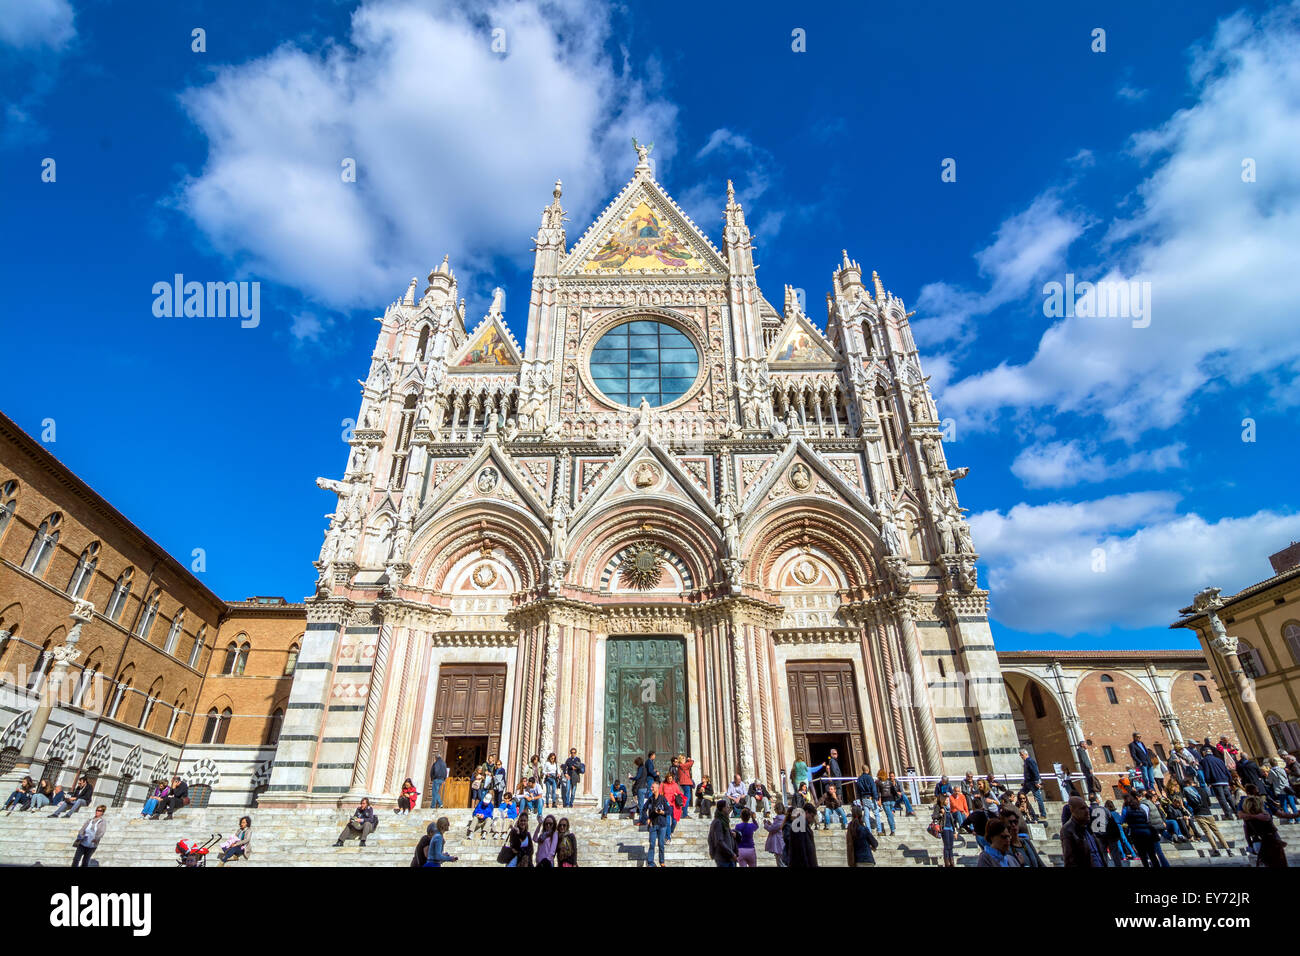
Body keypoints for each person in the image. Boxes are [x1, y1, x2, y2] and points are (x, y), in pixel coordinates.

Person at [1239, 794, 1295, 867]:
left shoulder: (1247, 818)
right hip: (1270, 842)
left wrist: (1251, 846)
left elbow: (1247, 834)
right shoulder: (1265, 816)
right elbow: (1273, 831)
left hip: (1256, 843)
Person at [1181, 780, 1228, 855]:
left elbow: (1190, 804)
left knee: (1207, 833)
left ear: (1188, 784)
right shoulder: (1202, 790)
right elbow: (1209, 803)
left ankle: (1215, 850)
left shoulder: (1188, 791)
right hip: (1208, 813)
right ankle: (1228, 849)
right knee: (1217, 831)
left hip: (1199, 814)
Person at [1122, 792, 1167, 868]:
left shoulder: (1127, 809)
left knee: (1143, 855)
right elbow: (1146, 819)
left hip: (1137, 834)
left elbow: (1122, 820)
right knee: (1152, 854)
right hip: (1147, 833)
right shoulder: (1140, 808)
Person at [1060, 796, 1108, 867]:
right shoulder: (1068, 830)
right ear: (1072, 810)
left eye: (1086, 807)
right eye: (1082, 808)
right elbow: (1070, 861)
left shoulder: (1087, 825)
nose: (1087, 811)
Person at [1199, 746, 1234, 818]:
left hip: (1216, 781)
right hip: (1224, 780)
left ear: (1204, 753)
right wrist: (1229, 779)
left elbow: (1207, 771)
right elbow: (1226, 770)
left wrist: (1208, 781)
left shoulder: (1205, 761)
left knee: (1222, 798)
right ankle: (1236, 811)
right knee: (1229, 797)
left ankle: (1228, 815)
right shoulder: (1219, 760)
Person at [645, 781, 671, 868]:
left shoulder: (663, 799)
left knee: (661, 844)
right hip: (653, 825)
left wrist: (663, 812)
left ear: (657, 788)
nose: (651, 789)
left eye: (653, 787)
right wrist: (647, 818)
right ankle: (650, 863)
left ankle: (662, 861)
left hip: (662, 825)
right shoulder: (650, 799)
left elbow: (669, 810)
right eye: (651, 787)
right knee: (652, 844)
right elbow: (643, 809)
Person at [708, 800, 738, 867]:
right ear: (722, 808)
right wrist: (731, 854)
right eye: (727, 807)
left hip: (729, 858)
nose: (728, 808)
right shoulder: (718, 822)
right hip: (723, 858)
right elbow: (719, 841)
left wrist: (732, 834)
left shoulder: (724, 820)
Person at [1017, 749, 1046, 820]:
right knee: (1020, 794)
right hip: (1027, 783)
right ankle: (1021, 810)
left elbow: (1035, 771)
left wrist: (1037, 781)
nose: (1021, 756)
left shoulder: (1030, 761)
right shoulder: (1026, 762)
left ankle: (1043, 814)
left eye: (1022, 755)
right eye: (1020, 755)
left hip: (1033, 782)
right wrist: (1024, 782)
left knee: (1038, 798)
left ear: (1025, 754)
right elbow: (1027, 773)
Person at [933, 792, 959, 867]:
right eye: (947, 800)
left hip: (950, 828)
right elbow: (934, 816)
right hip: (944, 828)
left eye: (948, 800)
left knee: (951, 846)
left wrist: (954, 831)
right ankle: (947, 862)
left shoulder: (948, 809)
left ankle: (952, 861)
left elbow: (952, 820)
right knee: (947, 846)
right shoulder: (938, 807)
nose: (948, 802)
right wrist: (941, 813)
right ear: (942, 800)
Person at [661, 771, 685, 840]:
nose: (670, 780)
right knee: (668, 822)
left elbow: (679, 793)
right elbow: (660, 794)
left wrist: (677, 795)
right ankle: (668, 837)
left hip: (674, 805)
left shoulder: (675, 785)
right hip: (666, 805)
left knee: (674, 821)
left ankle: (670, 831)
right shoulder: (663, 784)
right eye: (668, 778)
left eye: (671, 778)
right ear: (666, 778)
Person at [874, 770, 897, 835]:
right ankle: (893, 824)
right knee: (890, 814)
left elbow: (878, 792)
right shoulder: (889, 781)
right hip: (892, 800)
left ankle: (892, 830)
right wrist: (896, 800)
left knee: (889, 815)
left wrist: (879, 800)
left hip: (885, 800)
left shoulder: (878, 782)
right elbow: (893, 791)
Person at [628, 755, 650, 822]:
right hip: (644, 788)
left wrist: (631, 777)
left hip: (640, 788)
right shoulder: (645, 768)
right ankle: (645, 818)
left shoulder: (641, 768)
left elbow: (637, 777)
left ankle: (641, 820)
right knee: (642, 805)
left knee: (640, 806)